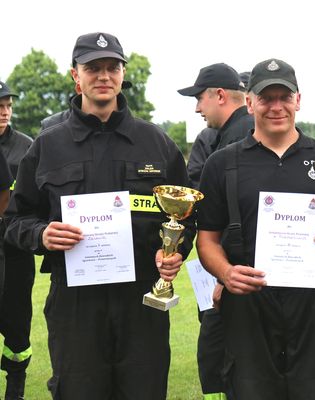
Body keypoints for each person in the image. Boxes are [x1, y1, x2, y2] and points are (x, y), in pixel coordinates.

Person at [5, 32, 195, 399]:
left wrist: (173, 253)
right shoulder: (48, 145)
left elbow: (186, 217)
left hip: (141, 301)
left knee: (144, 390)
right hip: (75, 304)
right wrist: (41, 235)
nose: (103, 76)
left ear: (123, 74)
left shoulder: (156, 142)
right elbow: (15, 220)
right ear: (75, 76)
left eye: (112, 67)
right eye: (93, 68)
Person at [196, 58, 315, 400]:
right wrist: (226, 273)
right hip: (248, 302)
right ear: (249, 102)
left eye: (284, 97)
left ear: (298, 100)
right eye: (266, 97)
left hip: (314, 301)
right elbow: (207, 240)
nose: (276, 106)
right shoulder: (223, 163)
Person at [179, 63, 253, 399]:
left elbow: (245, 220)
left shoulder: (241, 139)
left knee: (232, 360)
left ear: (220, 95)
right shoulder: (228, 136)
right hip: (232, 273)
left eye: (199, 98)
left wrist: (225, 276)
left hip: (238, 277)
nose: (197, 108)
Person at [0, 80, 35, 400]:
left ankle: (16, 388)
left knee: (16, 324)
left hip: (14, 252)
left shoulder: (26, 147)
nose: (5, 111)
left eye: (8, 105)